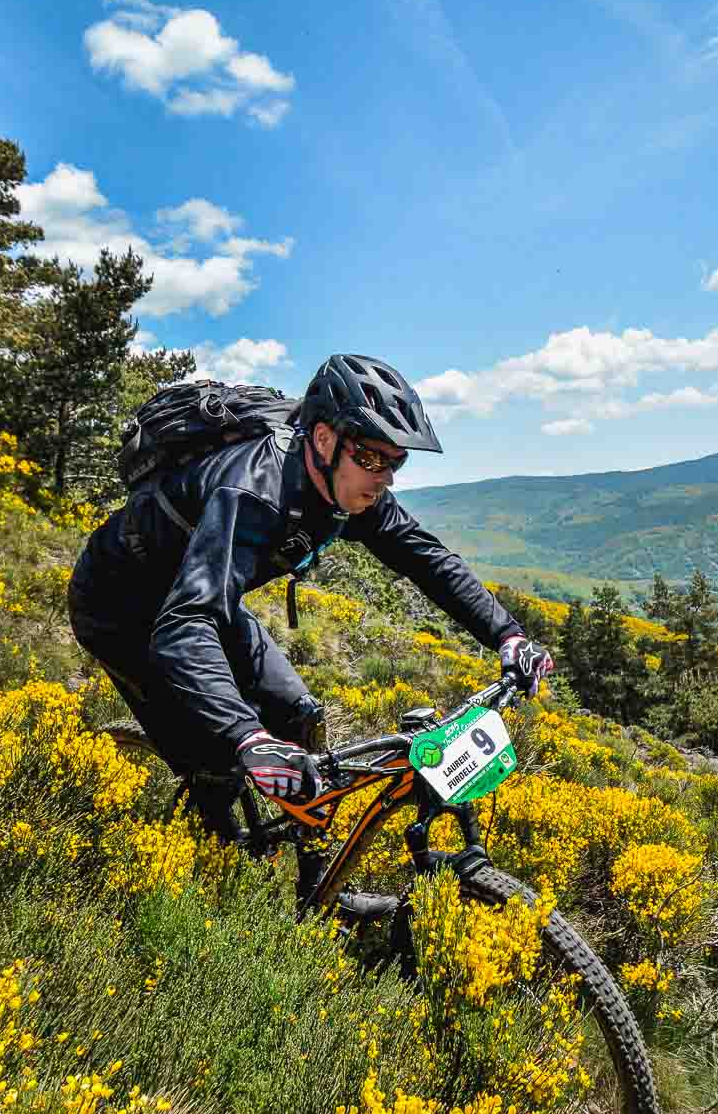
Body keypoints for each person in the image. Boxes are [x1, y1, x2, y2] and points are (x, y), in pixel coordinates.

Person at [67, 353, 554, 893]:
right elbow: (184, 625)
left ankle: (317, 887)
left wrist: (508, 635)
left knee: (298, 716)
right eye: (372, 458)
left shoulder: (348, 487)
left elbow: (425, 558)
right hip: (123, 609)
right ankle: (214, 868)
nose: (384, 477)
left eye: (396, 462)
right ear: (324, 440)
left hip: (207, 593)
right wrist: (247, 738)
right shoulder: (252, 492)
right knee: (217, 754)